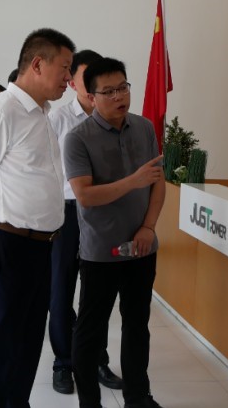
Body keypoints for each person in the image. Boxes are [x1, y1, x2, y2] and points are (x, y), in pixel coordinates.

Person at [0, 28, 75, 408]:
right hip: (7, 244)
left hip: (41, 246)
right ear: (37, 64)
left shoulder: (42, 114)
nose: (68, 77)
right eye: (65, 67)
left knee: (27, 342)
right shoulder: (1, 111)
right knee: (0, 343)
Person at [65, 57, 165, 408]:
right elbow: (85, 195)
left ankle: (138, 397)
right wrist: (133, 181)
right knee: (91, 331)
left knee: (137, 325)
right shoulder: (78, 138)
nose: (119, 96)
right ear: (91, 97)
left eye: (123, 87)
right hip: (101, 251)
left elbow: (158, 184)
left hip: (142, 246)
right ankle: (89, 402)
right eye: (109, 91)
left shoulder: (145, 128)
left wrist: (148, 228)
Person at [47, 49, 123, 394]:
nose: (95, 86)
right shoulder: (58, 120)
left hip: (103, 213)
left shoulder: (116, 121)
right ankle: (63, 364)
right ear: (72, 82)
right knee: (61, 292)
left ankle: (96, 360)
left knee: (98, 293)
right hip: (66, 213)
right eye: (86, 78)